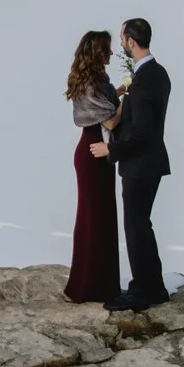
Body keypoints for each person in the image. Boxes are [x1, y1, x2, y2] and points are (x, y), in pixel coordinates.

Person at [88, 17, 170, 309]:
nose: (121, 44)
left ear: (131, 42)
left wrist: (110, 149)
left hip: (141, 165)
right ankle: (151, 286)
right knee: (141, 226)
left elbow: (142, 133)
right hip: (147, 163)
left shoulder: (146, 79)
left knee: (136, 228)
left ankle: (144, 292)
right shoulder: (155, 73)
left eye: (122, 40)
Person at [62, 30, 122, 304]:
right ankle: (94, 286)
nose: (111, 54)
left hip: (92, 150)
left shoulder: (91, 81)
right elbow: (109, 121)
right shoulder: (93, 83)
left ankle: (90, 283)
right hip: (94, 151)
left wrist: (118, 92)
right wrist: (128, 101)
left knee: (95, 217)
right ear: (98, 53)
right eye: (107, 49)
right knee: (97, 218)